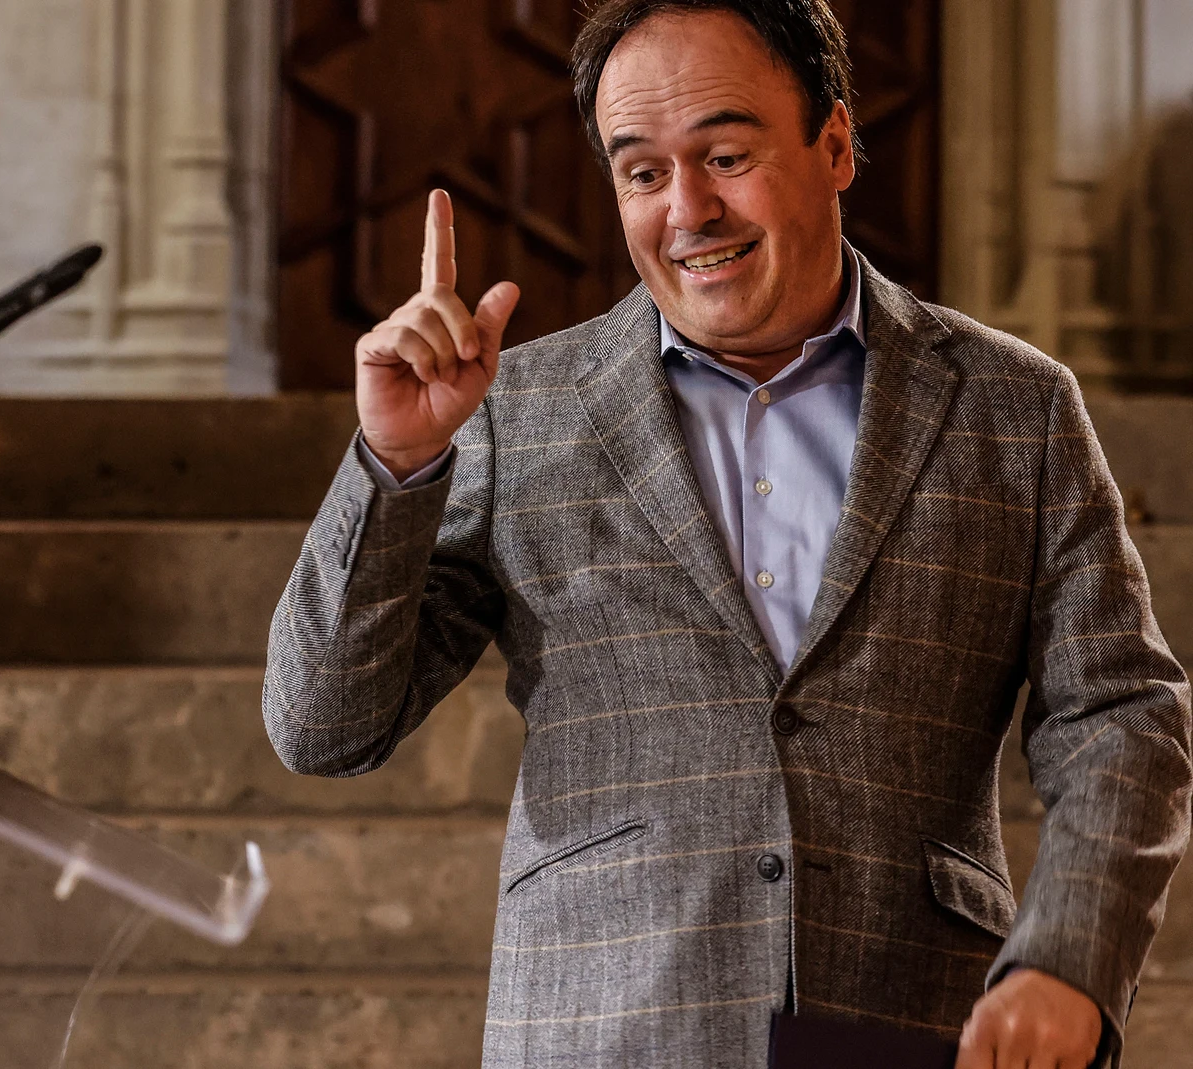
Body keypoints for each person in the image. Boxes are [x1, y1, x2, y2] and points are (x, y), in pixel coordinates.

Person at [261, 2, 1192, 1067]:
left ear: (834, 146)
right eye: (642, 173)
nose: (688, 209)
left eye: (727, 154)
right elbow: (323, 727)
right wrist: (393, 464)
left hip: (908, 1021)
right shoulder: (516, 414)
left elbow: (1119, 711)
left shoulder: (1012, 406)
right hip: (605, 1027)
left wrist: (1066, 956)